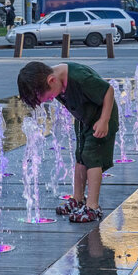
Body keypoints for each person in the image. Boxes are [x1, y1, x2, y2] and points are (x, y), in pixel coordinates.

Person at [17, 61, 117, 223]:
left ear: (51, 80)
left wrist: (104, 120)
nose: (51, 99)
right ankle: (78, 199)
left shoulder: (79, 78)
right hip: (85, 119)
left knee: (93, 158)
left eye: (49, 97)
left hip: (102, 119)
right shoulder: (55, 80)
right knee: (80, 157)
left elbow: (108, 91)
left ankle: (93, 207)